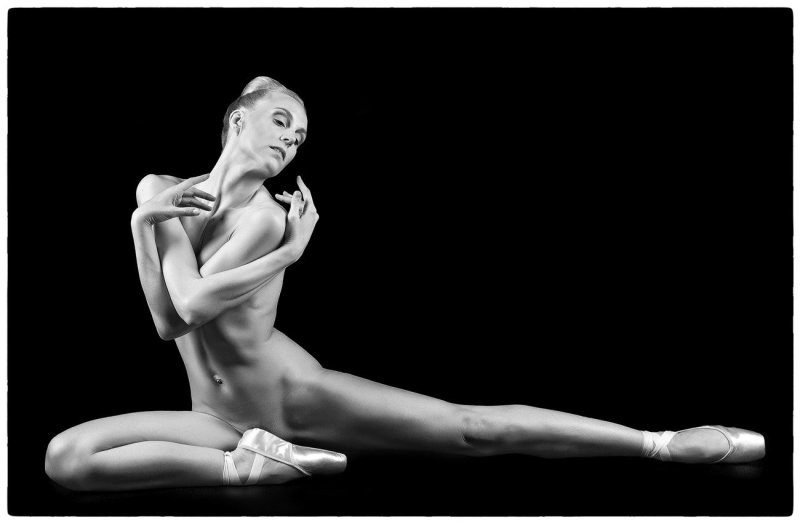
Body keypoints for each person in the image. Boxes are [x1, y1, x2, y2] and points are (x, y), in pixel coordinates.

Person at [44, 76, 766, 492]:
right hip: (216, 417)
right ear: (236, 121)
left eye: (299, 137)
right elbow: (170, 322)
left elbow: (191, 304)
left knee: (470, 429)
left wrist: (287, 249)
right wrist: (140, 226)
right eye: (280, 123)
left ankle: (659, 442)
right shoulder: (158, 190)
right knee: (66, 459)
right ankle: (245, 466)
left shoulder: (265, 219)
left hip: (296, 394)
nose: (290, 140)